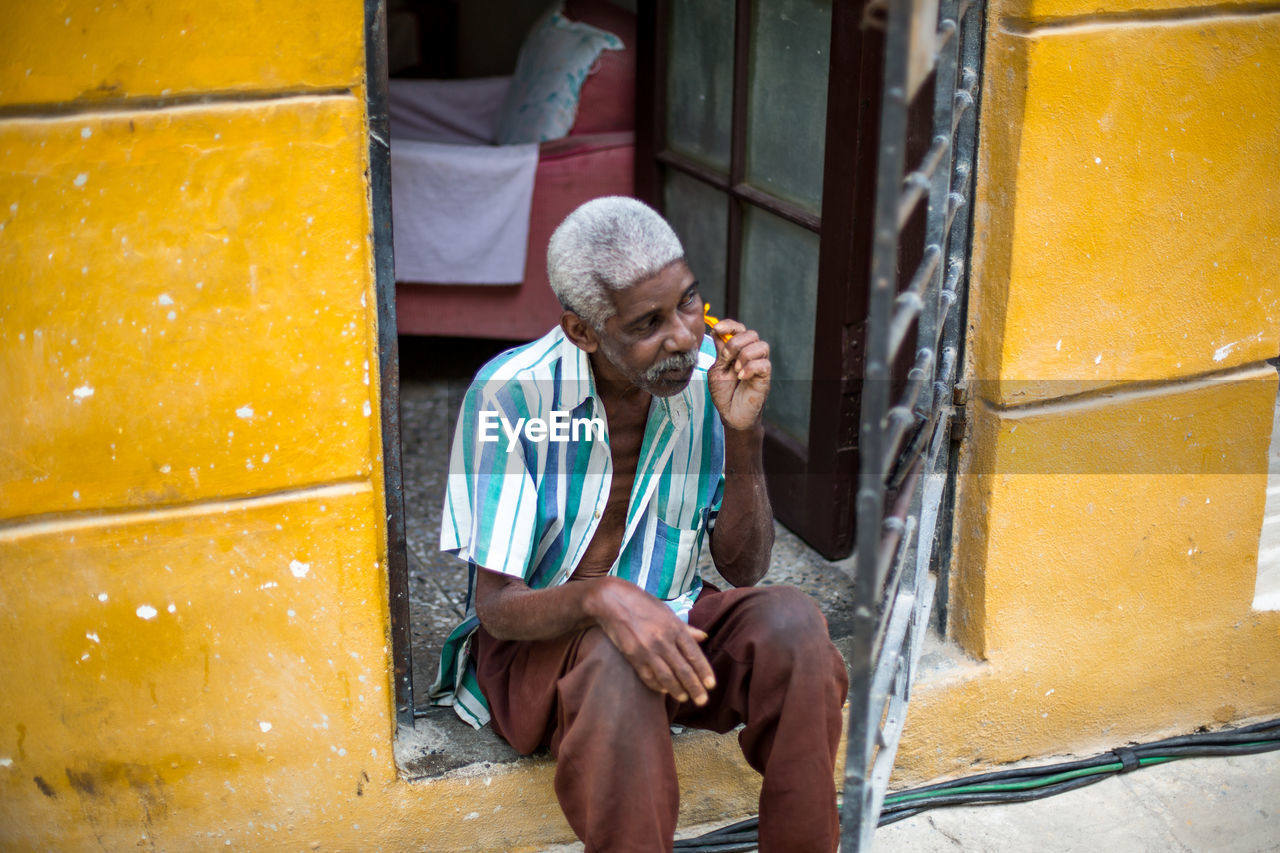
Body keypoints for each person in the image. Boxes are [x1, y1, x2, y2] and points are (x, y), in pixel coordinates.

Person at [429, 197, 848, 852]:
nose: (683, 334)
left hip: (674, 624)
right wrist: (603, 596)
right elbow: (498, 609)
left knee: (794, 624)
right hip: (543, 656)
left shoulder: (706, 377)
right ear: (583, 332)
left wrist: (745, 437)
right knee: (615, 656)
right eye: (648, 322)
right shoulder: (510, 395)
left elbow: (743, 566)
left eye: (688, 302)